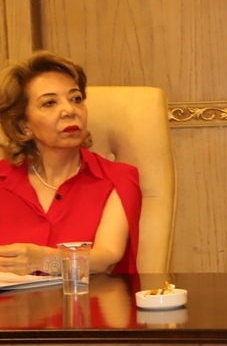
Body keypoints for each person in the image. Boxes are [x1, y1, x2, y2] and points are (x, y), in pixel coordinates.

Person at [0, 51, 142, 275]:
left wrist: (45, 260)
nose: (69, 111)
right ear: (23, 125)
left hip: (89, 297)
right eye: (49, 103)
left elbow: (107, 257)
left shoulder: (117, 178)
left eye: (76, 99)